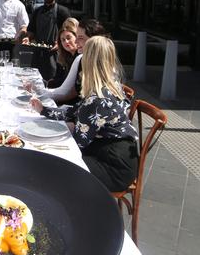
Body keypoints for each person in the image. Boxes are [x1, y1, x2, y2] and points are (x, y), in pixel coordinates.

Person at [30, 36, 138, 192]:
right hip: (116, 156)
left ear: (88, 61)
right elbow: (74, 111)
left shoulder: (97, 99)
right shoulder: (108, 87)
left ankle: (75, 211)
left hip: (113, 167)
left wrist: (49, 137)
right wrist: (43, 110)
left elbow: (78, 143)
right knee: (56, 162)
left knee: (58, 168)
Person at [36, 18, 107, 105]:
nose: (76, 41)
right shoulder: (73, 58)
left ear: (93, 39)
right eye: (62, 40)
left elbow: (66, 93)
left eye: (80, 37)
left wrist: (39, 94)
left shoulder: (81, 59)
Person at [22, 0, 71, 80]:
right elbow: (31, 30)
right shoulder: (37, 11)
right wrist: (27, 38)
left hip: (55, 54)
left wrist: (59, 44)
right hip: (38, 53)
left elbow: (70, 32)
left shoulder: (63, 11)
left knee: (53, 81)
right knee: (35, 80)